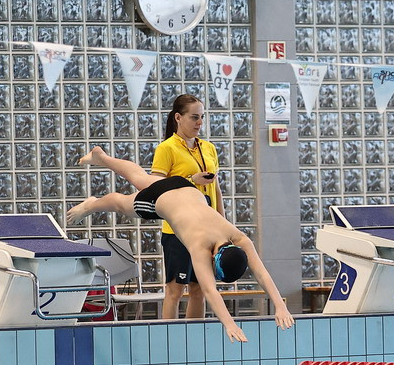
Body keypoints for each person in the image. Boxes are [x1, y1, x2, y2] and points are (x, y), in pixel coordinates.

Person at [68, 146, 294, 342]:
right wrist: (229, 324)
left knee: (139, 176)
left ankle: (101, 157)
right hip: (158, 201)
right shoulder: (200, 245)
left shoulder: (239, 237)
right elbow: (209, 290)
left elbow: (261, 273)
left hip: (185, 187)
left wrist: (281, 306)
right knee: (121, 203)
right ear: (214, 258)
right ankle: (92, 204)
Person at [151, 94, 222, 321]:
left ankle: (195, 338)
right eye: (194, 117)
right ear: (178, 118)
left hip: (206, 229)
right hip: (178, 230)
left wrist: (222, 223)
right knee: (175, 290)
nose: (199, 123)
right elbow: (156, 186)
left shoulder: (208, 148)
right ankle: (170, 339)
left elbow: (216, 189)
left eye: (202, 117)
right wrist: (191, 180)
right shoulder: (167, 148)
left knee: (200, 289)